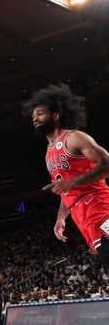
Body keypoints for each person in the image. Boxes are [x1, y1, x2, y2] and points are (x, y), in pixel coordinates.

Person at [24, 84, 109, 267]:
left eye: (40, 113)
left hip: (99, 205)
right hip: (81, 215)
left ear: (56, 116)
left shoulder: (74, 137)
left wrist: (72, 182)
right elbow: (65, 189)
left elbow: (107, 164)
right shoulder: (48, 153)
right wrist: (61, 218)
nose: (35, 118)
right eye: (33, 116)